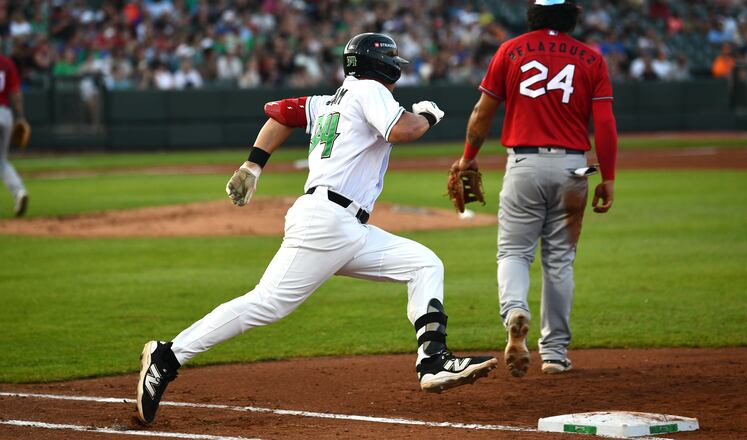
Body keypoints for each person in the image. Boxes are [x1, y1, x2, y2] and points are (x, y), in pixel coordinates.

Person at [136, 32, 497, 425]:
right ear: (383, 66)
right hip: (328, 222)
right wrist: (427, 114)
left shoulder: (331, 100)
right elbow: (403, 130)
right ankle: (167, 356)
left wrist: (253, 164)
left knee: (424, 264)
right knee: (267, 304)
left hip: (346, 226)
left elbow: (282, 113)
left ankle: (433, 359)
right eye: (395, 63)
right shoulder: (369, 90)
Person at [451, 0, 617, 378]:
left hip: (524, 164)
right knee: (559, 262)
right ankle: (555, 353)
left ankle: (514, 311)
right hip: (573, 167)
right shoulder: (591, 58)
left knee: (513, 251)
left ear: (533, 14)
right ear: (572, 15)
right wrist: (608, 176)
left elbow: (482, 112)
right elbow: (605, 123)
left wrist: (468, 156)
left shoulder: (511, 50)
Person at [0, 54, 28, 217]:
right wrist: (21, 116)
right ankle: (19, 192)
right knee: (1, 161)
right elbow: (16, 93)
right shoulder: (7, 62)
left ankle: (19, 192)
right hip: (5, 114)